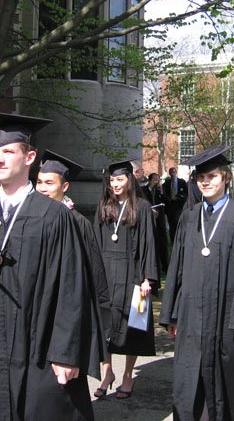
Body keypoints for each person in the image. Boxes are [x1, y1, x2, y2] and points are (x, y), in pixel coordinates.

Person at [0, 114, 103, 421]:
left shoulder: (54, 217)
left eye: (8, 151)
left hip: (39, 349)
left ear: (30, 157)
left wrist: (66, 353)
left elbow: (71, 287)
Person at [160, 146, 234, 420]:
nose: (206, 182)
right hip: (192, 315)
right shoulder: (189, 218)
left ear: (225, 177)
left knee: (231, 378)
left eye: (212, 176)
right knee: (191, 376)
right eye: (201, 177)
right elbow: (177, 268)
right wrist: (173, 313)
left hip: (228, 316)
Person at [92, 160, 159, 399]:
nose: (115, 184)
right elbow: (95, 242)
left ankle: (128, 376)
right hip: (107, 273)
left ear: (130, 180)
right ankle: (107, 372)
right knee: (105, 324)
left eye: (120, 179)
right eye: (112, 180)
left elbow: (149, 243)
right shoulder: (104, 206)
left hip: (133, 273)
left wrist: (148, 279)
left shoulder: (142, 207)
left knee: (134, 327)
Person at [34, 149, 111, 358]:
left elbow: (95, 274)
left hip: (65, 313)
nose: (42, 188)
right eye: (39, 182)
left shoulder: (79, 223)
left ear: (65, 186)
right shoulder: (28, 220)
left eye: (49, 183)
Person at [143, 172, 170, 276]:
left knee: (162, 242)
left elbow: (167, 202)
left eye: (158, 179)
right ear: (150, 180)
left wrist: (161, 192)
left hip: (159, 219)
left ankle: (165, 266)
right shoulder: (144, 190)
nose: (157, 181)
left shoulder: (160, 190)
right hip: (149, 217)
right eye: (155, 179)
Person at [163, 166, 188, 242]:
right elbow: (164, 194)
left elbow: (186, 193)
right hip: (170, 206)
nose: (172, 174)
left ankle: (179, 238)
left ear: (176, 173)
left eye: (173, 172)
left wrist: (181, 197)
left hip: (178, 205)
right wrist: (168, 199)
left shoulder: (182, 182)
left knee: (177, 222)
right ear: (169, 173)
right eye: (171, 172)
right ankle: (173, 240)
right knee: (171, 224)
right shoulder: (166, 183)